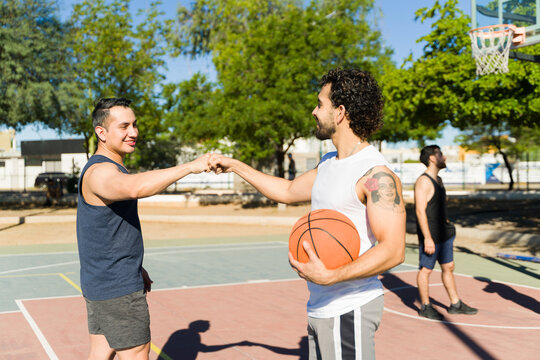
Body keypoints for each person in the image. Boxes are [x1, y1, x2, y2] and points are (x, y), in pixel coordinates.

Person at [209, 68, 405, 359]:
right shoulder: (328, 164)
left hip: (349, 307)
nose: (314, 111)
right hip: (321, 306)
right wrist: (235, 165)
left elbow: (394, 250)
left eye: (320, 104)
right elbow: (287, 191)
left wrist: (331, 276)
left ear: (340, 112)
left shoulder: (375, 174)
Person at [77, 98, 210, 360]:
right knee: (136, 353)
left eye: (134, 125)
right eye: (124, 126)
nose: (134, 132)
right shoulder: (102, 172)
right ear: (101, 132)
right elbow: (136, 187)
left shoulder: (106, 167)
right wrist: (190, 167)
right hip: (117, 287)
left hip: (103, 281)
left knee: (101, 351)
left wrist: (136, 266)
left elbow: (106, 230)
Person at [414, 145, 478, 320]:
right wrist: (427, 237)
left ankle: (455, 304)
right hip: (431, 235)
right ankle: (426, 306)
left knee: (448, 267)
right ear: (433, 158)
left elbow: (439, 207)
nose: (445, 157)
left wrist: (448, 223)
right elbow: (420, 211)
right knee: (426, 270)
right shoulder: (423, 181)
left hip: (445, 233)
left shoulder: (439, 180)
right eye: (441, 154)